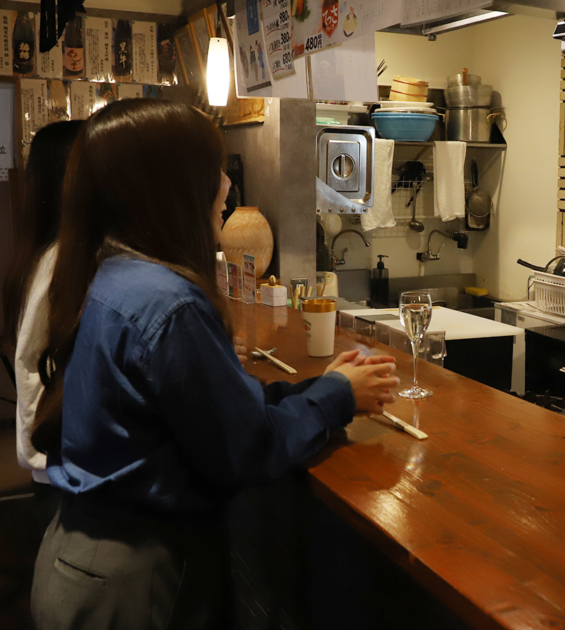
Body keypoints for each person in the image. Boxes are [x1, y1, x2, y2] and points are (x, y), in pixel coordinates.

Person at [29, 99, 399, 629]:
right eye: (216, 171)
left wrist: (327, 385)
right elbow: (247, 449)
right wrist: (337, 396)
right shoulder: (169, 301)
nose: (227, 186)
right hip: (136, 584)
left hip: (80, 566)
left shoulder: (115, 273)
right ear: (174, 186)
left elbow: (217, 410)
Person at [2, 120, 84, 529]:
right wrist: (37, 455)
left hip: (54, 461)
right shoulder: (59, 260)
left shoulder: (42, 252)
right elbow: (30, 363)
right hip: (58, 469)